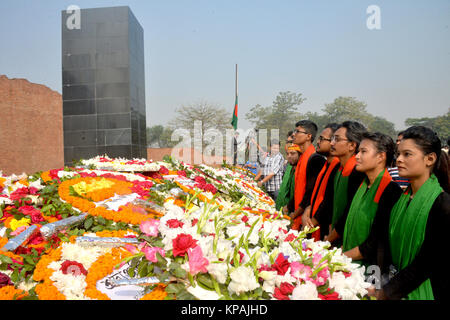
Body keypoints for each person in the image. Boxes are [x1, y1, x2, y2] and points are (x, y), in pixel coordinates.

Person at [367, 126, 449, 300]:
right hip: (391, 283)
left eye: (407, 154)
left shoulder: (442, 204)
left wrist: (387, 291)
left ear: (430, 159)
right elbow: (384, 246)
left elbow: (427, 263)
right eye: (398, 154)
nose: (398, 160)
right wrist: (376, 282)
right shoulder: (399, 198)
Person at [342, 132, 403, 271]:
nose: (357, 156)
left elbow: (374, 243)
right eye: (358, 152)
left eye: (363, 152)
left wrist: (340, 257)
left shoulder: (391, 191)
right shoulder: (362, 185)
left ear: (381, 156)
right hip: (350, 261)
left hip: (372, 270)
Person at [322, 121, 367, 247]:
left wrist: (330, 238)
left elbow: (349, 213)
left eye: (337, 139)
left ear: (352, 145)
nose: (331, 143)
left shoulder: (357, 173)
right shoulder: (338, 169)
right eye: (332, 139)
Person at [301, 123, 341, 240]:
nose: (318, 142)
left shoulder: (337, 168)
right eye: (319, 138)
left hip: (324, 230)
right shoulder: (325, 166)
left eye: (322, 139)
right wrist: (308, 209)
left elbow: (328, 203)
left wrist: (311, 223)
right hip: (312, 221)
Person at [289, 120, 326, 230]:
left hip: (307, 218)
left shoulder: (315, 159)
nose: (293, 134)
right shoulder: (302, 159)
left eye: (297, 131)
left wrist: (296, 213)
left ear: (308, 136)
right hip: (298, 213)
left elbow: (310, 193)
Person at [275, 143, 301, 212]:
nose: (289, 156)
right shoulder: (290, 169)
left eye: (292, 153)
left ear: (300, 155)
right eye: (287, 154)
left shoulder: (301, 171)